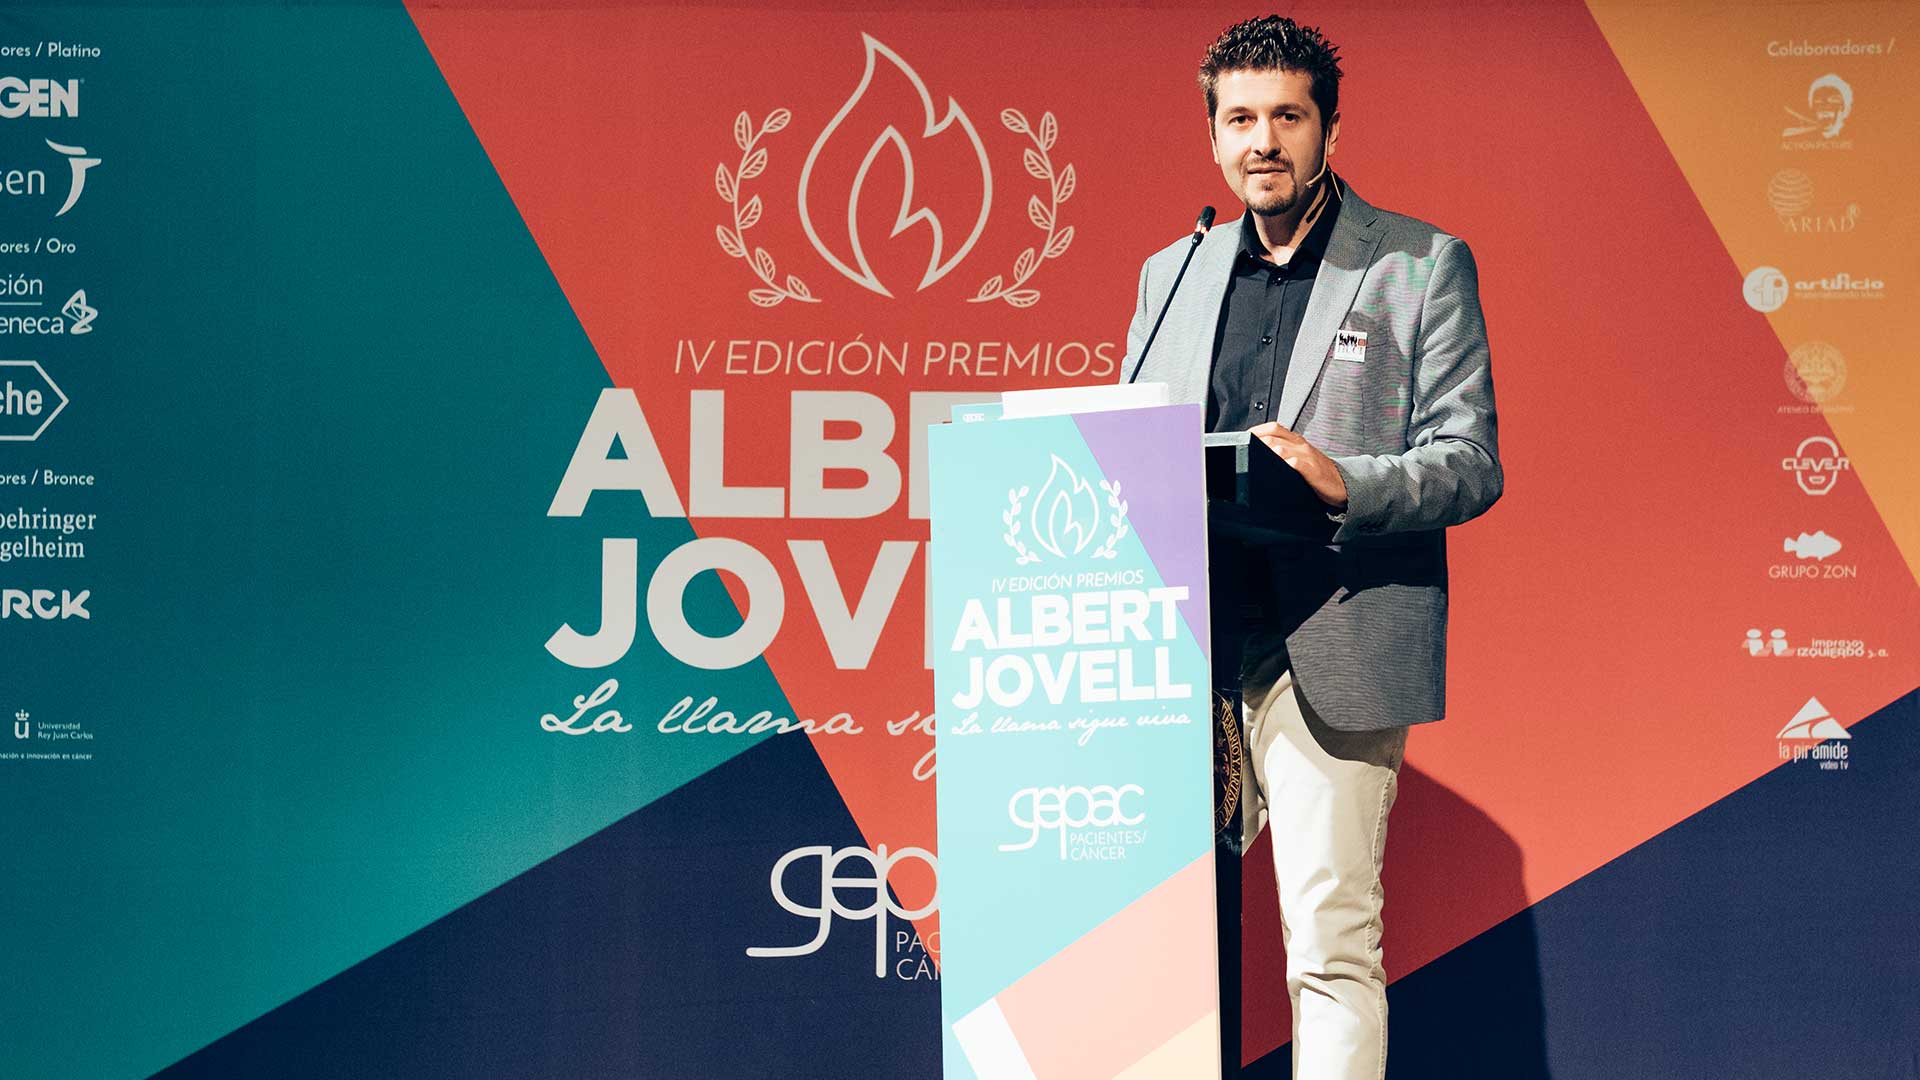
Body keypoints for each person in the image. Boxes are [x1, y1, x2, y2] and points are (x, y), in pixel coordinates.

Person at [1118, 15, 1503, 1078]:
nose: (1263, 142)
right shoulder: (1172, 273)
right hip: (1186, 649)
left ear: (1330, 129)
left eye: (1287, 117)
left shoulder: (1417, 264)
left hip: (1330, 637)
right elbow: (1129, 447)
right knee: (1157, 949)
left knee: (1329, 944)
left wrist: (1346, 481)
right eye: (1240, 119)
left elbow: (1471, 459)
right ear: (1212, 136)